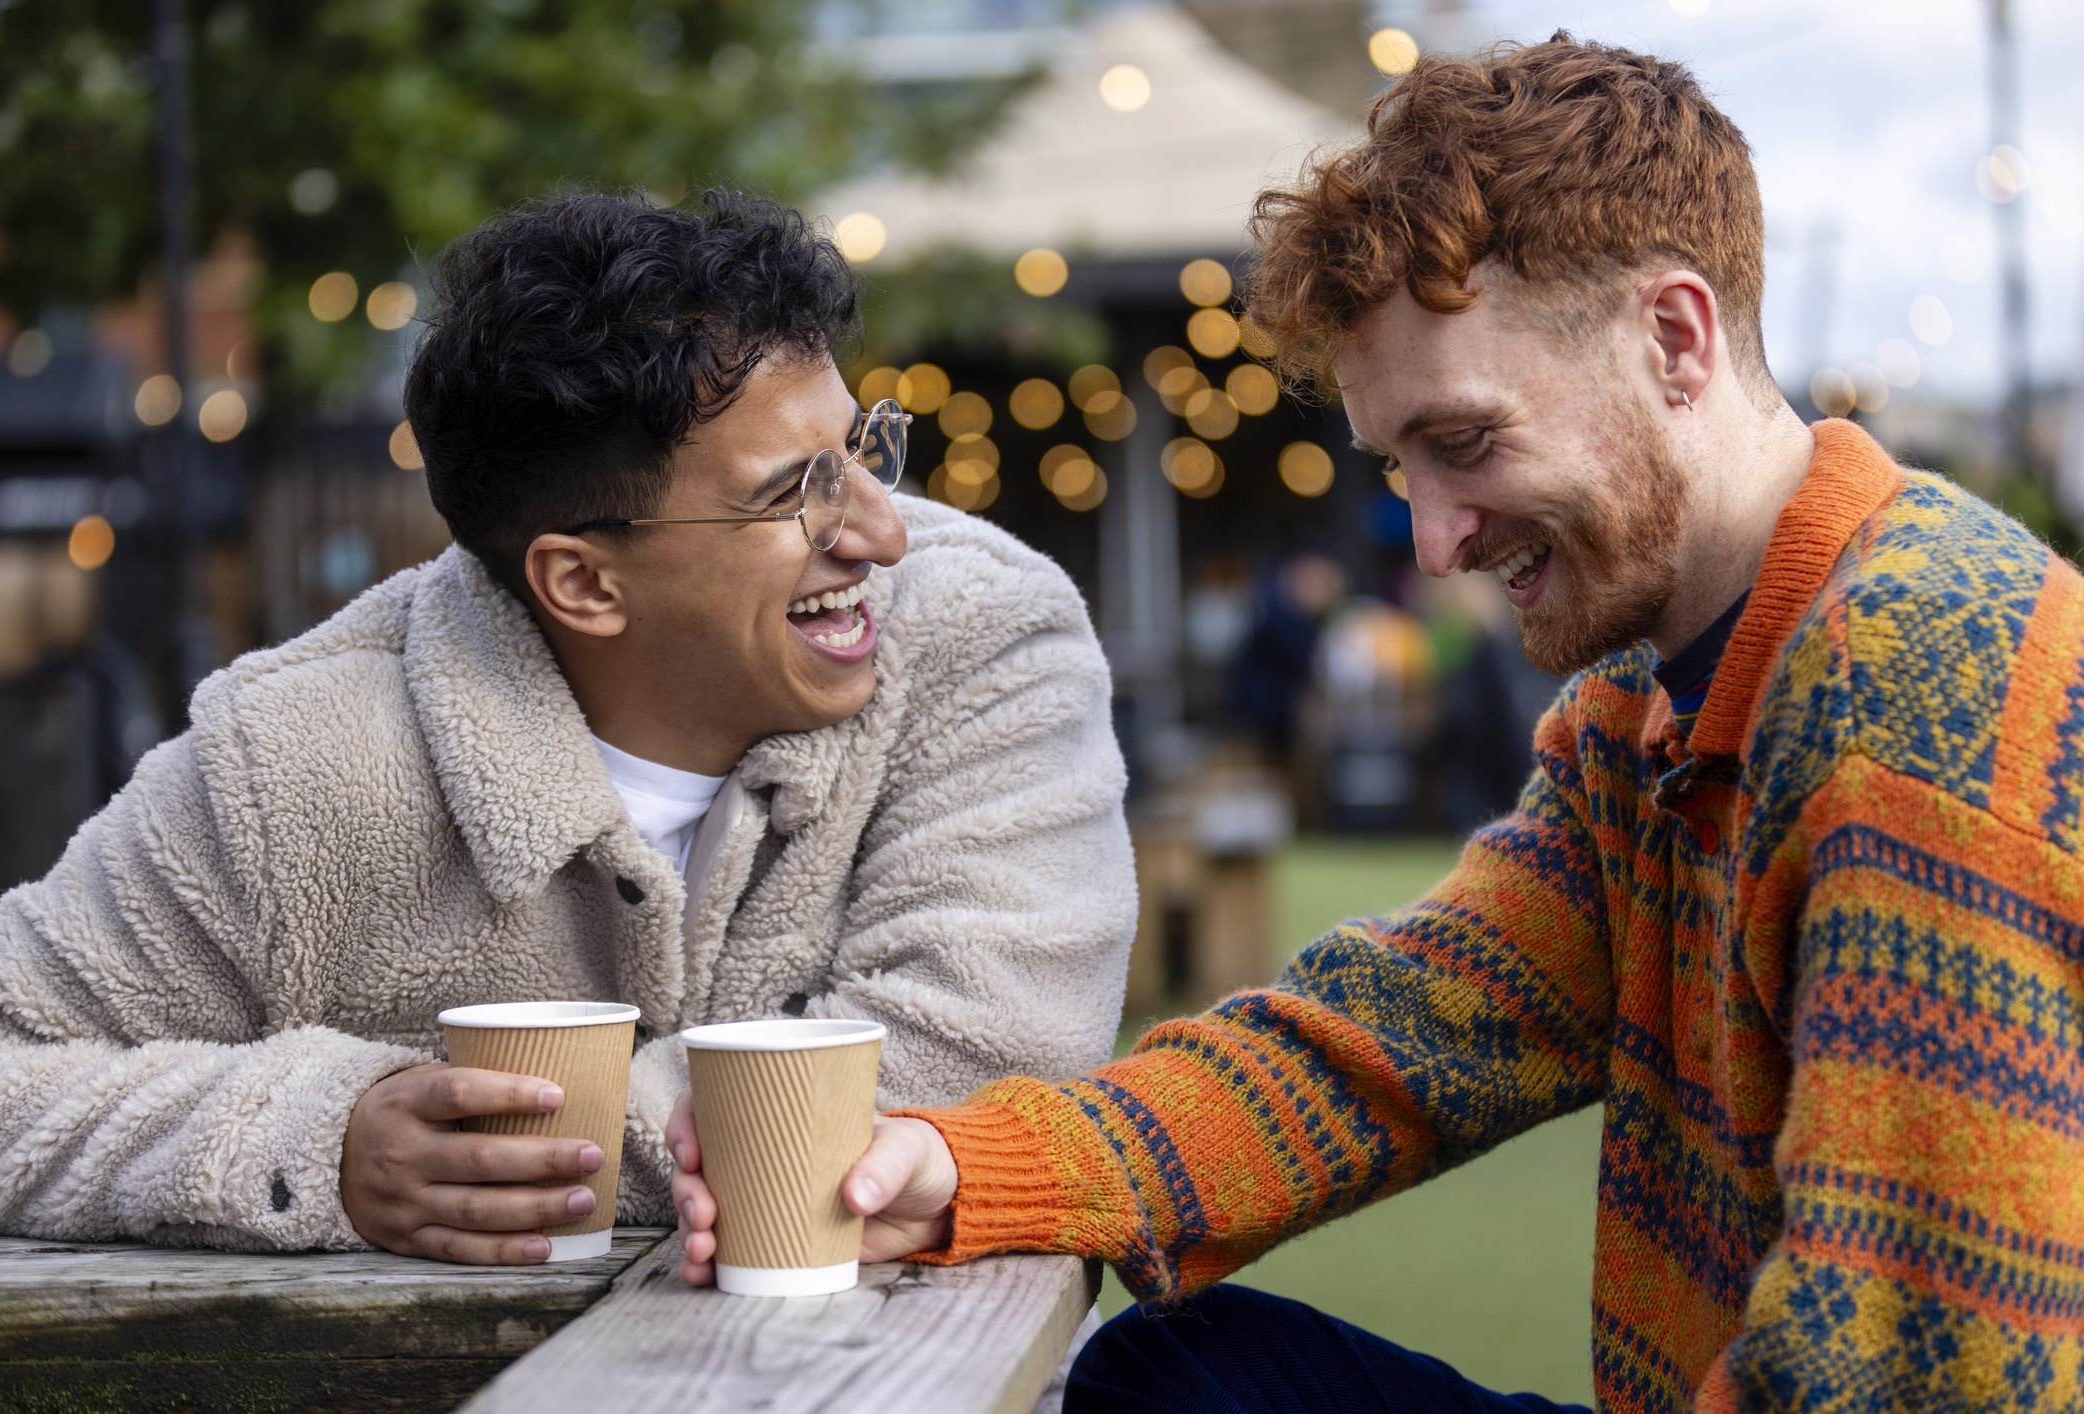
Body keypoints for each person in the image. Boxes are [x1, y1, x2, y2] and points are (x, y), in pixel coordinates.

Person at [671, 37, 2084, 1413]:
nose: (1435, 539)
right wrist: (958, 1166)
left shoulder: (1917, 680)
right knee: (1180, 1367)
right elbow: (1385, 1042)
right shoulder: (1643, 707)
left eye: (1464, 442)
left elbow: (1917, 1370)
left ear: (1674, 336)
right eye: (1398, 465)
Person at [0, 191, 1135, 1266]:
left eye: (863, 448)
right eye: (794, 494)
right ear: (581, 584)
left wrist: (482, 1148)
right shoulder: (290, 762)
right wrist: (319, 1141)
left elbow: (990, 1064)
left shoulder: (984, 632)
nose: (882, 532)